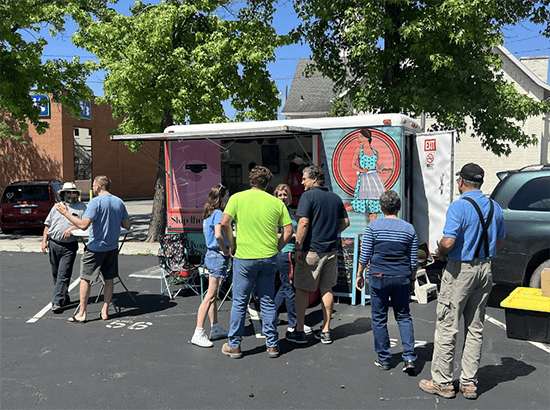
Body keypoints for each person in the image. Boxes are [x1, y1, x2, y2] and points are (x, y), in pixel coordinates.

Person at [419, 163, 506, 400]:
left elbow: (447, 242)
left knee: (448, 326)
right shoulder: (494, 207)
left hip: (460, 271)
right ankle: (469, 383)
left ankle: (443, 382)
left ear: (461, 181)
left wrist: (440, 251)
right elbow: (500, 243)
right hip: (485, 269)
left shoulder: (458, 207)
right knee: (475, 327)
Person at [220, 166, 293, 359]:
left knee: (240, 302)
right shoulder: (275, 203)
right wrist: (278, 247)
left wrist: (232, 244)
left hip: (244, 257)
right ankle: (272, 345)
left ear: (250, 180)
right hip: (268, 257)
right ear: (268, 183)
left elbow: (224, 223)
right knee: (268, 301)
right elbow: (289, 231)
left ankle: (234, 345)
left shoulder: (237, 198)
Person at [356, 190, 418, 374]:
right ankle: (409, 357)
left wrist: (359, 274)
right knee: (404, 316)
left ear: (381, 207)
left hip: (379, 277)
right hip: (401, 277)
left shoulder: (374, 227)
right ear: (398, 207)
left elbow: (365, 254)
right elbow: (413, 260)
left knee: (379, 318)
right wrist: (413, 279)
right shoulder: (409, 228)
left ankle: (384, 359)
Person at [287, 165, 350, 345]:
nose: (302, 182)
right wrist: (330, 232)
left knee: (301, 289)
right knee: (326, 289)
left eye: (305, 178)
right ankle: (326, 330)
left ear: (314, 179)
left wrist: (298, 247)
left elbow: (303, 223)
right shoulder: (335, 197)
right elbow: (345, 222)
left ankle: (299, 331)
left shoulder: (308, 196)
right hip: (330, 251)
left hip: (311, 251)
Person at [55, 175, 131, 323]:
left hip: (95, 248)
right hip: (112, 247)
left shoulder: (95, 202)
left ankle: (82, 313)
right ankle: (105, 311)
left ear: (97, 186)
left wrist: (65, 213)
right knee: (109, 279)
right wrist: (113, 221)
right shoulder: (119, 202)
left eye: (93, 186)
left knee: (85, 278)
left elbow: (84, 225)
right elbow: (127, 225)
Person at [191, 184, 231, 348]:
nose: (228, 199)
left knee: (212, 295)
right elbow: (218, 235)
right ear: (221, 198)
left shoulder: (208, 214)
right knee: (210, 296)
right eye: (226, 196)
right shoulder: (219, 214)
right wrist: (226, 250)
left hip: (210, 255)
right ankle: (198, 332)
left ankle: (215, 327)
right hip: (217, 256)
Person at [41, 182, 87, 313]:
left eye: (73, 192)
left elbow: (85, 224)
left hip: (69, 247)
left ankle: (56, 302)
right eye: (68, 192)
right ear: (64, 194)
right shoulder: (57, 207)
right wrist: (44, 241)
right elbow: (47, 225)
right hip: (53, 244)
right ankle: (64, 296)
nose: (71, 195)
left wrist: (72, 227)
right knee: (56, 275)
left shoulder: (82, 207)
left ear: (77, 194)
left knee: (63, 275)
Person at [273, 183, 298, 335]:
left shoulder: (288, 211)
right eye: (280, 195)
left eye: (285, 194)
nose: (282, 197)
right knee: (289, 289)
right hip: (285, 253)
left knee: (284, 287)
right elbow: (273, 234)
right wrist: (292, 236)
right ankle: (294, 323)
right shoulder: (277, 212)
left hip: (290, 252)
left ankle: (272, 317)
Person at [349, 129, 385, 222]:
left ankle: (371, 229)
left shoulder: (375, 152)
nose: (359, 138)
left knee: (374, 207)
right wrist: (362, 170)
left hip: (374, 179)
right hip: (364, 178)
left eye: (361, 136)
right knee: (359, 203)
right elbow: (353, 165)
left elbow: (376, 166)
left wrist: (380, 169)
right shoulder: (359, 150)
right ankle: (339, 213)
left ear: (367, 138)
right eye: (359, 136)